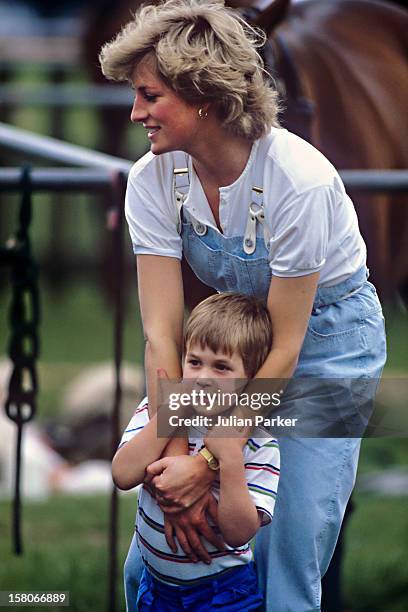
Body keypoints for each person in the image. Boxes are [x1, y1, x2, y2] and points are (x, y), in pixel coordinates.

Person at [99, 1, 387, 610]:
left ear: (202, 95)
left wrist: (212, 461)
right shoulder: (150, 180)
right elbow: (161, 331)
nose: (135, 113)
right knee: (152, 560)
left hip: (322, 352)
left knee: (285, 559)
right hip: (224, 353)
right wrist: (174, 459)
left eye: (150, 96)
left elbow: (286, 345)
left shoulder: (299, 180)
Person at [115, 292, 280, 611]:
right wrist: (167, 415)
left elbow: (239, 533)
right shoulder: (158, 412)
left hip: (223, 595)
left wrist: (230, 459)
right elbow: (122, 474)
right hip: (157, 589)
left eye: (221, 367)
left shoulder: (259, 443)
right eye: (195, 362)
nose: (204, 378)